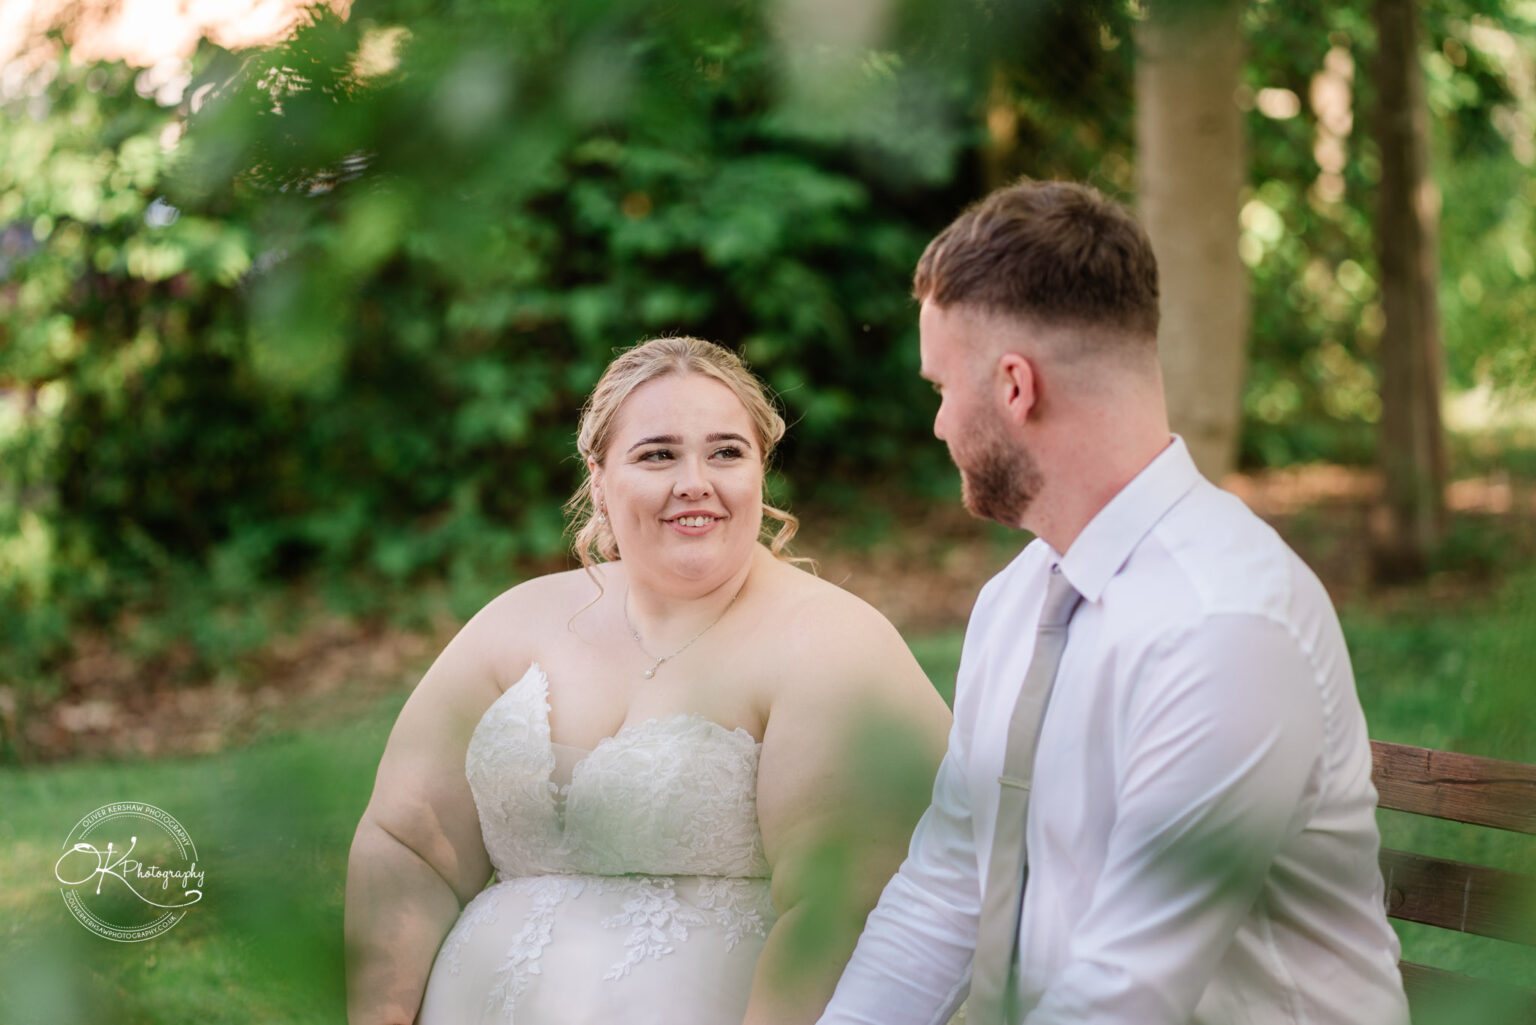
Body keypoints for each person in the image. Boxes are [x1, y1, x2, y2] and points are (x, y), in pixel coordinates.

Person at [817, 180, 1410, 1025]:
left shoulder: (1225, 629)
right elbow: (944, 889)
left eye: (941, 389)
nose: (939, 424)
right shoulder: (1016, 600)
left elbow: (1125, 994)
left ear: (1015, 387)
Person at [345, 336, 951, 1025]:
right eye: (658, 453)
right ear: (598, 476)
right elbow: (408, 845)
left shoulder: (829, 642)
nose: (695, 479)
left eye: (726, 451)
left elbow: (842, 905)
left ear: (761, 471)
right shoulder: (513, 622)